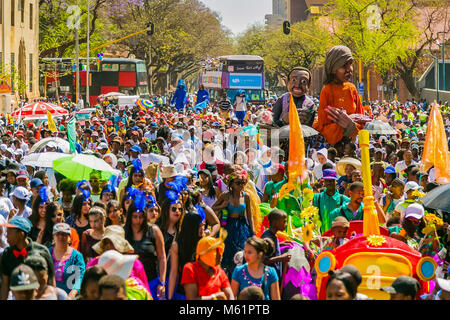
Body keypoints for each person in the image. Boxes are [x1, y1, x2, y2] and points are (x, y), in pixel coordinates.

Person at [313, 45, 365, 149]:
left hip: (353, 148)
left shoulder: (352, 89)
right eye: (344, 65)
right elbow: (323, 128)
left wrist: (350, 125)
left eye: (350, 64)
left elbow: (362, 121)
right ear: (333, 68)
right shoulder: (327, 91)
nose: (349, 69)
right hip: (333, 150)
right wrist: (343, 125)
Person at [0, 216, 55, 300]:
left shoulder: (42, 251)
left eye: (9, 233)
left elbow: (51, 278)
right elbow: (5, 284)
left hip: (41, 296)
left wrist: (52, 297)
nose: (6, 236)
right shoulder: (7, 254)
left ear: (21, 234)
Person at [212, 169, 254, 277]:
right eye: (238, 183)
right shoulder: (225, 195)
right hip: (228, 226)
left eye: (243, 182)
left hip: (241, 227)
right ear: (231, 184)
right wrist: (223, 206)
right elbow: (213, 208)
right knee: (227, 254)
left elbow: (249, 215)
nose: (241, 185)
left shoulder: (246, 196)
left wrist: (252, 231)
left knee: (241, 253)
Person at [124, 198, 167, 300]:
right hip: (129, 283)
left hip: (151, 282)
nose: (138, 221)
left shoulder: (154, 231)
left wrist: (162, 282)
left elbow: (162, 257)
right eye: (135, 217)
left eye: (141, 217)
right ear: (129, 216)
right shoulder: (123, 232)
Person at [88, 225, 150, 293]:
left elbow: (144, 290)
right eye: (106, 242)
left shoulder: (134, 264)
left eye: (112, 243)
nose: (108, 246)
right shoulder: (94, 263)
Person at [181, 235, 234, 300]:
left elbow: (230, 295)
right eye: (216, 252)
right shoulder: (190, 269)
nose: (220, 256)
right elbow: (192, 298)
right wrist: (214, 297)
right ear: (206, 253)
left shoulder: (220, 271)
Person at [167, 212, 204, 300]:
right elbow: (174, 272)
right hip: (183, 292)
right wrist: (169, 297)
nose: (202, 228)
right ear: (190, 227)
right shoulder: (177, 245)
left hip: (201, 292)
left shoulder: (204, 244)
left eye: (203, 225)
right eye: (199, 226)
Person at [50, 223, 86, 298]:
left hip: (70, 296)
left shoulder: (77, 256)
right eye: (58, 234)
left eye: (64, 235)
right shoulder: (47, 253)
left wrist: (73, 292)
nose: (61, 237)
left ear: (69, 237)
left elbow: (80, 277)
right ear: (53, 237)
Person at [261, 209, 291, 280]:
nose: (286, 224)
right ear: (275, 223)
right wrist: (282, 258)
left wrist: (279, 244)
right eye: (284, 222)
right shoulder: (267, 238)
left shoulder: (272, 235)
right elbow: (264, 261)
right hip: (268, 278)